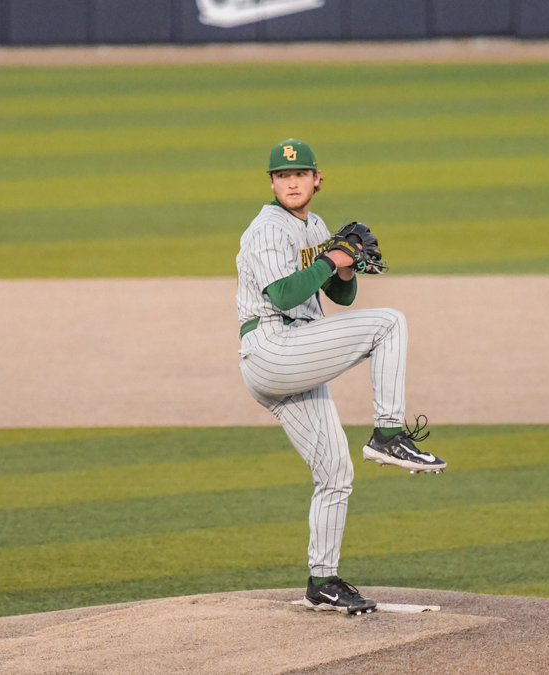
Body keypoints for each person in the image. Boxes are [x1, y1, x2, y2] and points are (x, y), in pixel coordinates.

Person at [234, 138, 446, 615]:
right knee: (389, 323)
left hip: (294, 354)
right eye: (282, 176)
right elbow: (284, 295)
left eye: (299, 174)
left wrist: (346, 269)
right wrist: (333, 259)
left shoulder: (314, 226)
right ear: (271, 182)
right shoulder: (266, 229)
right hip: (273, 345)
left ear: (317, 179)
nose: (291, 182)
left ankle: (322, 582)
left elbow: (340, 297)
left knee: (335, 472)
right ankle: (388, 435)